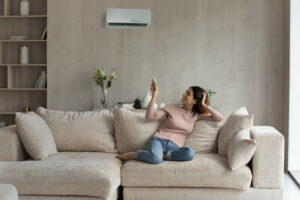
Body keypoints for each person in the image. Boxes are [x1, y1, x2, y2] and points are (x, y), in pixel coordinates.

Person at [116, 81, 223, 164]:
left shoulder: (196, 116)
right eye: (186, 91)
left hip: (174, 148)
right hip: (159, 140)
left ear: (194, 101)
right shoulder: (170, 108)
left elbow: (218, 118)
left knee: (189, 153)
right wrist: (154, 96)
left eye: (188, 93)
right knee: (155, 160)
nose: (184, 94)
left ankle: (158, 156)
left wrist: (204, 105)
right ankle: (134, 155)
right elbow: (149, 117)